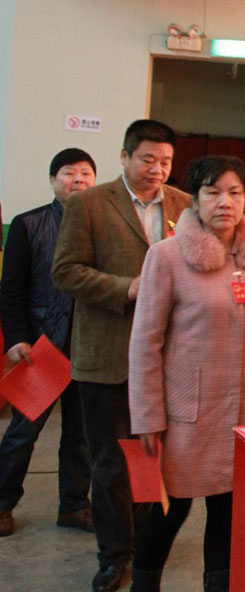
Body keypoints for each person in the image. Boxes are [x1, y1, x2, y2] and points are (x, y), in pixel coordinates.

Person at [128, 156, 245, 591]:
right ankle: (144, 583)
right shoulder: (166, 256)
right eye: (213, 192)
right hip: (184, 416)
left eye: (235, 192)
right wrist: (147, 418)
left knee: (228, 512)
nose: (225, 202)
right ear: (194, 200)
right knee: (168, 510)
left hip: (242, 414)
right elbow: (145, 343)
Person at [51, 120, 191, 592]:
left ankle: (141, 542)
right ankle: (114, 555)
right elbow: (66, 271)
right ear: (125, 156)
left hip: (168, 358)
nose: (157, 169)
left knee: (152, 457)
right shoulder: (90, 204)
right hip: (107, 354)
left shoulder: (184, 206)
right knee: (110, 463)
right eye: (148, 159)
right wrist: (127, 289)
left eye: (165, 161)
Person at [0, 148, 97, 537]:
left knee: (81, 434)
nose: (78, 180)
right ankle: (2, 503)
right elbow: (11, 289)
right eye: (69, 173)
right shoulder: (29, 224)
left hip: (88, 348)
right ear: (53, 180)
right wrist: (17, 338)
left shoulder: (101, 225)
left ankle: (74, 506)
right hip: (41, 349)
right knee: (22, 433)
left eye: (86, 173)